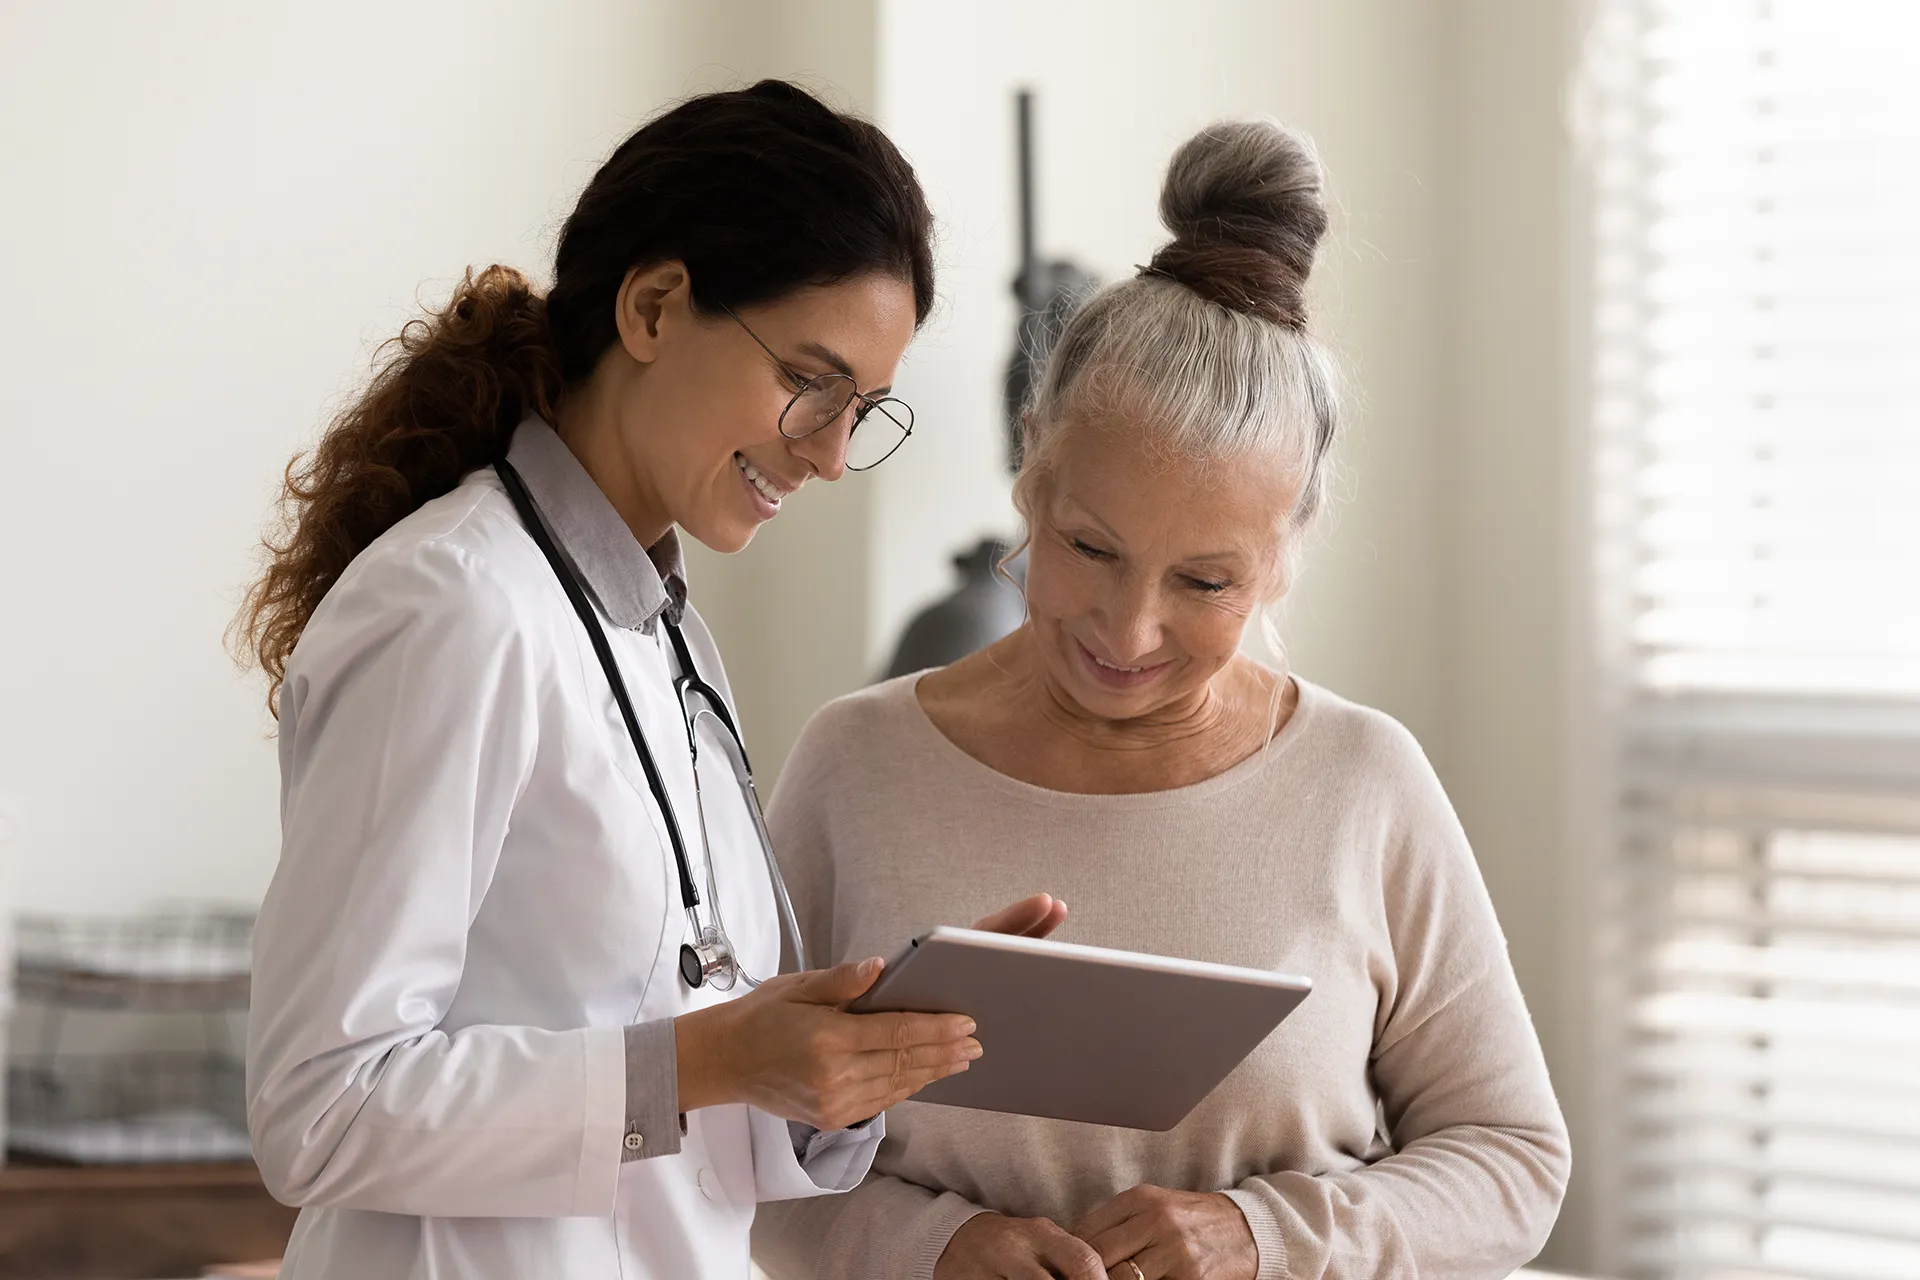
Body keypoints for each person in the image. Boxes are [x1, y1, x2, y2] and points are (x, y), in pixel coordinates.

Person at [235, 81, 1061, 1279]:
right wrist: (708, 1059)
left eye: (863, 411)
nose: (831, 454)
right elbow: (320, 1108)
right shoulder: (452, 607)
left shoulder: (662, 630)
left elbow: (685, 1104)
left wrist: (845, 1052)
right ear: (655, 305)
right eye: (812, 382)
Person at [752, 120, 1571, 1280]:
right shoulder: (858, 761)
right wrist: (931, 1246)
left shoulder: (1361, 781)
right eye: (1088, 546)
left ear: (1286, 557)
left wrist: (1265, 1235)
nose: (1127, 631)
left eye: (1204, 581)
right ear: (1031, 471)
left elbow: (1512, 1157)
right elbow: (743, 1145)